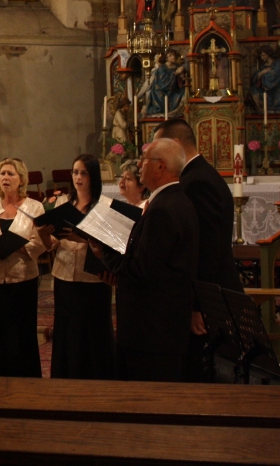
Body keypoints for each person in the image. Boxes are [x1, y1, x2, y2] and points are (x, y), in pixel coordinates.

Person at [89, 138, 200, 382]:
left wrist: (103, 252)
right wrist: (118, 275)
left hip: (150, 331)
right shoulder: (178, 200)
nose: (139, 164)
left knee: (145, 396)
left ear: (161, 166)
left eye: (145, 159)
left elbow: (141, 269)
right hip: (163, 326)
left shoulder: (162, 209)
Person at [153, 119, 243, 382]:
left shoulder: (197, 182)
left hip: (211, 298)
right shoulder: (200, 175)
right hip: (210, 294)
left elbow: (206, 248)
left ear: (175, 144)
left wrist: (197, 306)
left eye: (159, 150)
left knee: (207, 375)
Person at [0, 158, 47, 377]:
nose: (5, 178)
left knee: (21, 332)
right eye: (2, 174)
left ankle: (25, 379)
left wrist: (19, 246)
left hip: (22, 279)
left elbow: (40, 242)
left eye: (10, 174)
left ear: (21, 179)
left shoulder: (34, 207)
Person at [46, 154, 114, 380]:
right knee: (67, 330)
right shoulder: (63, 203)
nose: (78, 177)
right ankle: (66, 376)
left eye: (83, 173)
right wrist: (43, 234)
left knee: (93, 332)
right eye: (75, 172)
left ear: (93, 176)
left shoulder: (104, 206)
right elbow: (52, 243)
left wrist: (83, 238)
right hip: (64, 274)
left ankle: (96, 378)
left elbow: (112, 245)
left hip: (93, 278)